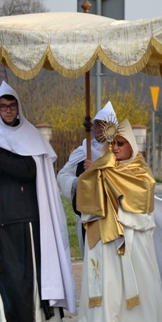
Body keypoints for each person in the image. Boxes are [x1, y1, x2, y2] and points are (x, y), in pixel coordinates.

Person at [0, 81, 76, 322]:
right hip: (1, 222)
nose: (8, 110)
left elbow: (27, 170)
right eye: (3, 106)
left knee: (37, 278)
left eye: (12, 105)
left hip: (31, 220)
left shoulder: (31, 137)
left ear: (18, 106)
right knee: (3, 278)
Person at [75, 119, 162, 322]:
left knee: (137, 283)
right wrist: (92, 175)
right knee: (105, 284)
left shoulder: (141, 174)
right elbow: (85, 206)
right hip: (103, 237)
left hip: (132, 237)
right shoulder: (98, 171)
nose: (115, 148)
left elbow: (144, 209)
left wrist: (119, 204)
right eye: (112, 143)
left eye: (121, 143)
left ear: (131, 146)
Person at [57, 101, 117, 255]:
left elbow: (121, 180)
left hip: (111, 219)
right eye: (97, 124)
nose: (99, 129)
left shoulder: (118, 152)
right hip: (86, 217)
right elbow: (62, 175)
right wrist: (79, 183)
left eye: (104, 124)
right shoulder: (84, 151)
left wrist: (96, 170)